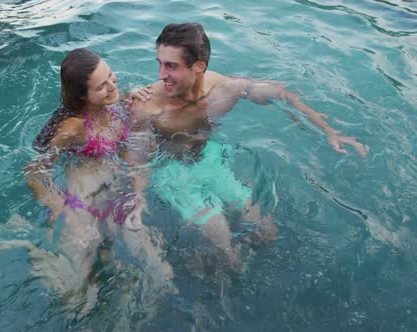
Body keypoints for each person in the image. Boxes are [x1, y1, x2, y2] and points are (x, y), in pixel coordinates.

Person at [126, 23, 369, 267]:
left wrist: (330, 132)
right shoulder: (147, 105)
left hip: (209, 157)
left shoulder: (226, 90)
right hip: (171, 170)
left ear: (199, 66)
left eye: (171, 66)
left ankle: (208, 259)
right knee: (225, 248)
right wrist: (137, 198)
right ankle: (207, 263)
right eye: (159, 63)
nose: (160, 74)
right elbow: (135, 158)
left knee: (266, 230)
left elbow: (283, 95)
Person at [24, 48, 174, 312]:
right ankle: (27, 244)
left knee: (162, 275)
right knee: (79, 297)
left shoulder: (118, 103)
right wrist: (60, 208)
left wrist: (134, 102)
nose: (112, 86)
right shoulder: (73, 128)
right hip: (84, 207)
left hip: (121, 199)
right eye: (101, 86)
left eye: (110, 76)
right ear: (82, 96)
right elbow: (34, 172)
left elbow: (140, 147)